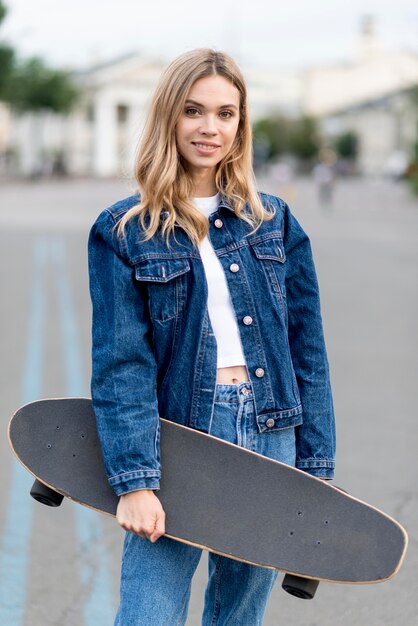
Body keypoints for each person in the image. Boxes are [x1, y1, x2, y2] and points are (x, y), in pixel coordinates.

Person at [88, 48, 336, 626]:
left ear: (241, 125)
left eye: (227, 114)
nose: (210, 128)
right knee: (149, 610)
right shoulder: (125, 229)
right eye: (194, 111)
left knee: (237, 615)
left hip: (272, 430)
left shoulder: (273, 221)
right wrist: (136, 480)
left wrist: (317, 472)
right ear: (169, 117)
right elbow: (122, 361)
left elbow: (309, 352)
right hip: (181, 435)